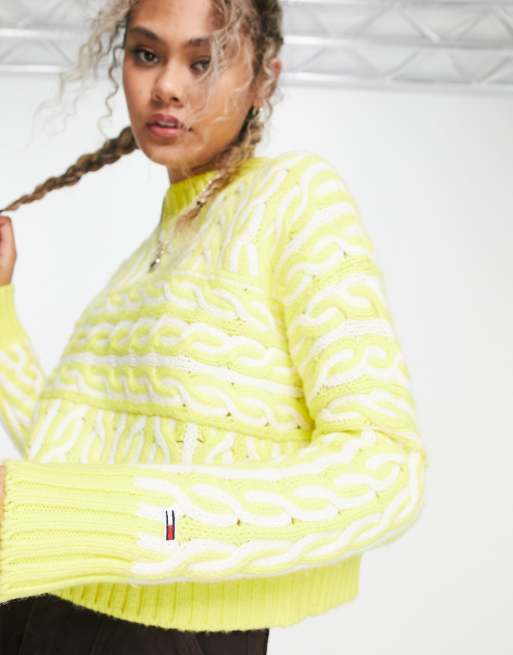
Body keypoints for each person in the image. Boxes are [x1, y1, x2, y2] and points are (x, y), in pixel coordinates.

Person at [0, 0, 430, 653]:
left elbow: (384, 470)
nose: (167, 86)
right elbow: (68, 454)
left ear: (263, 80)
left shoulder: (294, 198)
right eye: (147, 54)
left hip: (159, 636)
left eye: (204, 61)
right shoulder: (148, 254)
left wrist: (109, 521)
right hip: (42, 600)